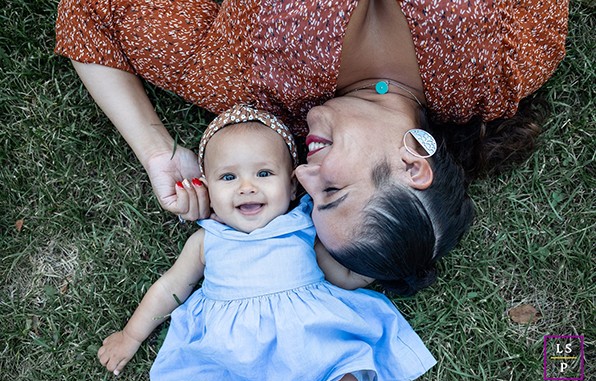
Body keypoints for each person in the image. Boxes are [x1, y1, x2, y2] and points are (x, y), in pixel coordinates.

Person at [54, 0, 569, 295]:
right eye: (334, 190)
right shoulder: (502, 66)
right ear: (414, 165)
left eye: (310, 197)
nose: (302, 174)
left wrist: (158, 153)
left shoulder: (252, 74)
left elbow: (89, 18)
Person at [97, 105, 436, 381]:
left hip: (310, 347)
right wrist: (131, 335)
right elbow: (170, 289)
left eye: (263, 173)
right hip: (232, 356)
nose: (247, 187)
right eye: (228, 177)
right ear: (207, 188)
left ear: (291, 185)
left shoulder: (303, 228)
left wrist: (376, 265)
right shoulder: (207, 241)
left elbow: (340, 275)